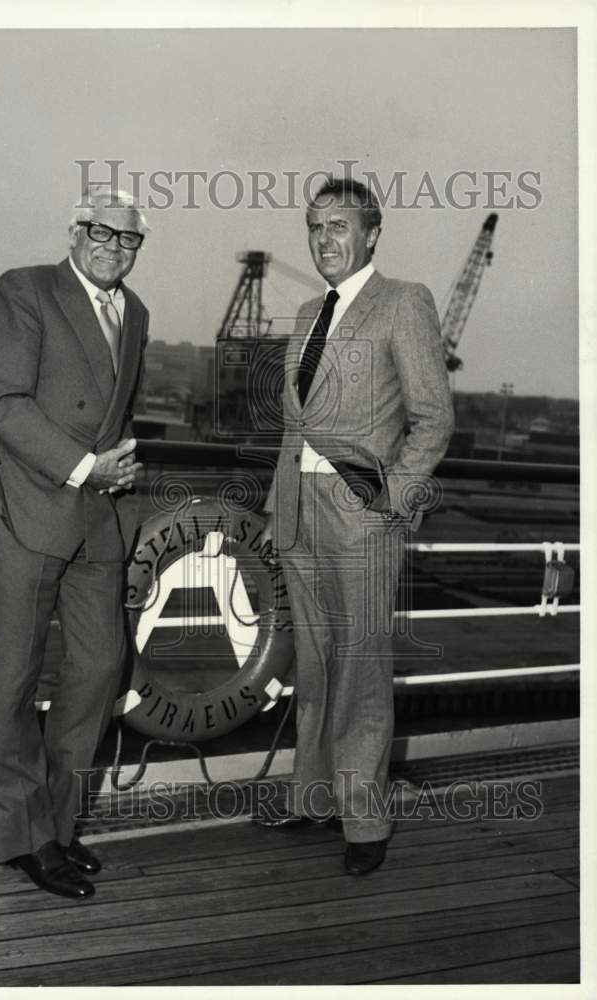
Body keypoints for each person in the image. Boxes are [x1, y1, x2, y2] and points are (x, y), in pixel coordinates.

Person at [257, 177, 454, 875]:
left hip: (360, 515)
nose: (323, 240)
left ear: (371, 233)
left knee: (362, 671)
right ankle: (312, 795)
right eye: (314, 228)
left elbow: (433, 418)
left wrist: (390, 499)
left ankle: (364, 822)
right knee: (314, 665)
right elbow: (297, 425)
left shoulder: (404, 302)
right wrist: (277, 507)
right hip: (299, 511)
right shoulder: (309, 311)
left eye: (338, 227)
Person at [0, 187, 149, 899]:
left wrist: (117, 477)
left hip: (98, 514)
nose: (112, 247)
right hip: (29, 505)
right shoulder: (25, 290)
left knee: (100, 667)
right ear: (74, 231)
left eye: (128, 239)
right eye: (100, 233)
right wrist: (82, 466)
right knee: (17, 675)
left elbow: (119, 411)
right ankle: (23, 837)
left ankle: (58, 823)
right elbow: (5, 400)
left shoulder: (134, 314)